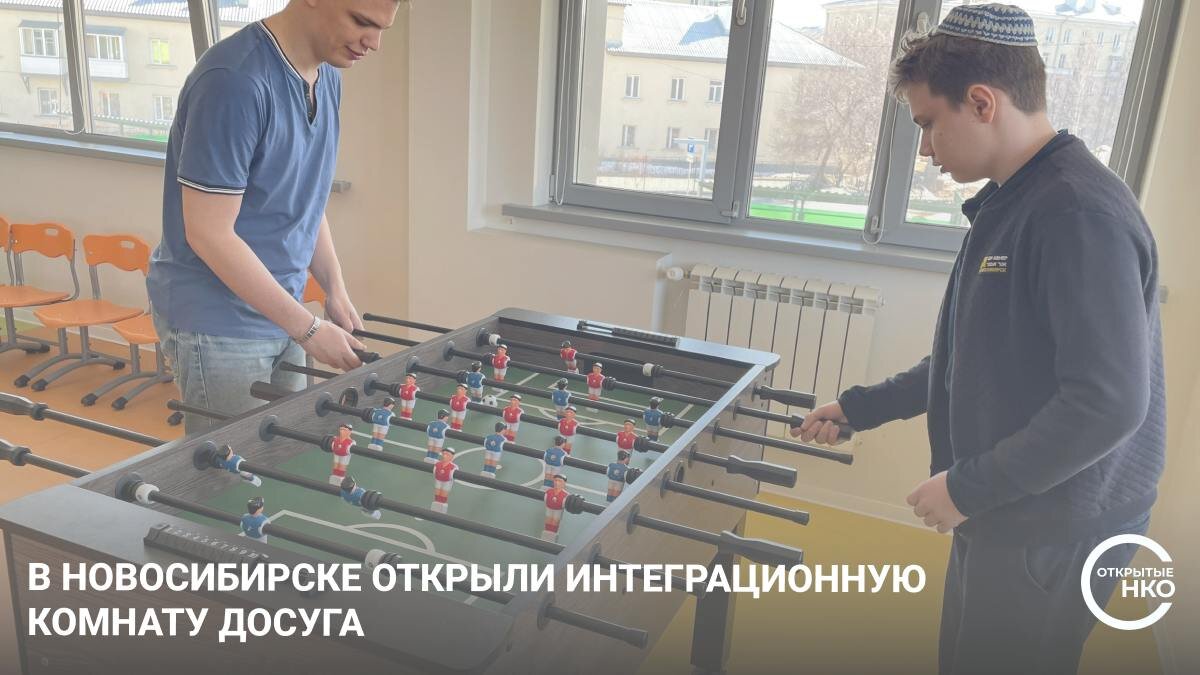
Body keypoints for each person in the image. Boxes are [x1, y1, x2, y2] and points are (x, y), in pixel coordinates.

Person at [793, 6, 1164, 674]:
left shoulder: (1075, 212)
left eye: (928, 123)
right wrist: (861, 407)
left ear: (983, 102)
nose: (926, 149)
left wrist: (967, 488)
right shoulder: (1015, 200)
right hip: (1008, 506)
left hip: (1052, 523)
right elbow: (976, 356)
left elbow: (1108, 402)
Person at [148, 0, 402, 434]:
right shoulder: (233, 82)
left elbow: (304, 198)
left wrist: (334, 289)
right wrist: (308, 329)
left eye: (382, 29)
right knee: (229, 469)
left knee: (286, 454)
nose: (374, 43)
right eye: (361, 22)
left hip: (285, 308)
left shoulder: (328, 76)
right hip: (219, 322)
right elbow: (208, 234)